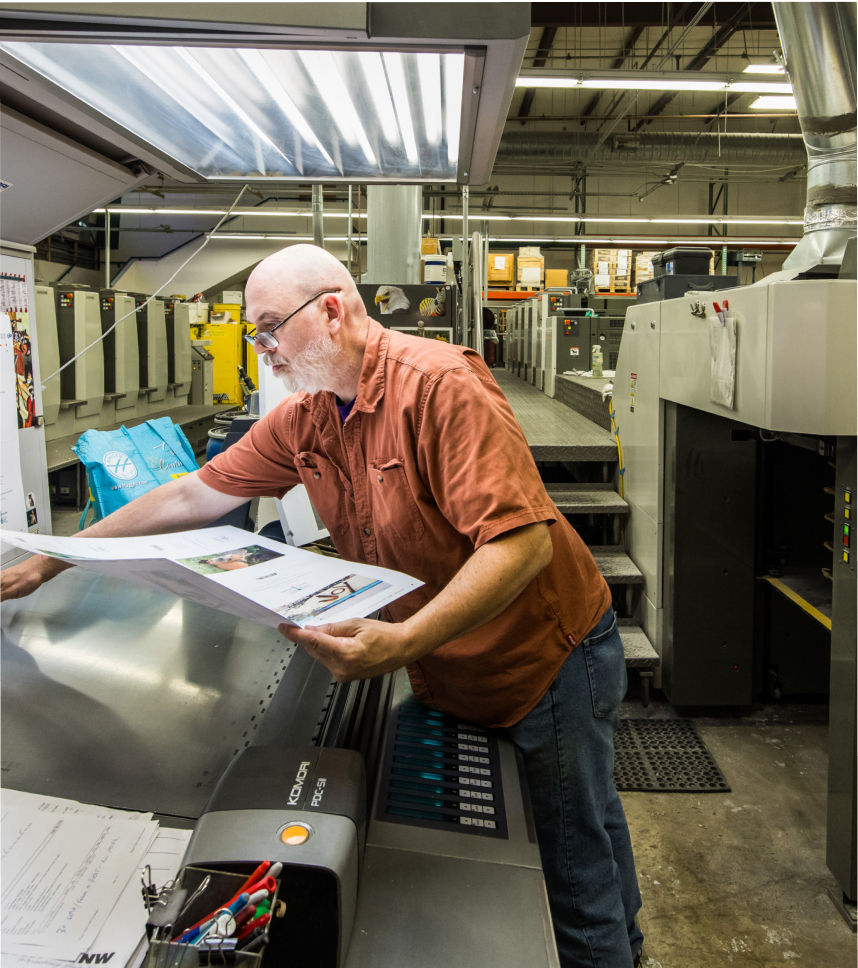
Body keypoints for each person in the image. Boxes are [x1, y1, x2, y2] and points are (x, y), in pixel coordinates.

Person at [0, 245, 643, 968]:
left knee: (572, 869)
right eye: (255, 332)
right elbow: (189, 495)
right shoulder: (310, 418)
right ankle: (633, 942)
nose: (261, 348)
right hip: (452, 655)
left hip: (543, 658)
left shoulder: (437, 387)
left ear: (330, 310)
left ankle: (613, 951)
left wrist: (400, 646)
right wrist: (49, 560)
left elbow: (520, 548)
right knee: (585, 819)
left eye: (270, 327)